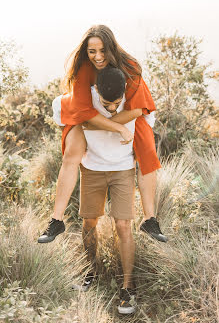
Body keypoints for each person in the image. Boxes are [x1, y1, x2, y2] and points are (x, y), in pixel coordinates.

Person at [37, 25, 167, 244]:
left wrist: (104, 126)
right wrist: (117, 128)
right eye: (92, 51)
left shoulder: (130, 66)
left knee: (146, 150)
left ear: (112, 48)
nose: (98, 57)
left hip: (126, 112)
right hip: (83, 112)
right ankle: (56, 220)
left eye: (103, 50)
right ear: (86, 52)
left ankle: (150, 218)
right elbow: (84, 113)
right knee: (71, 153)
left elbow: (136, 109)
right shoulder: (83, 69)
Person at [75, 67, 138, 314]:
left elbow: (143, 117)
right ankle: (90, 271)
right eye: (106, 104)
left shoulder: (133, 97)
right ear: (96, 91)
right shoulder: (86, 96)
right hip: (92, 167)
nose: (112, 108)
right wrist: (117, 125)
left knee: (123, 225)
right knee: (89, 221)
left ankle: (127, 287)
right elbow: (80, 119)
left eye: (117, 104)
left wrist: (98, 124)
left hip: (123, 167)